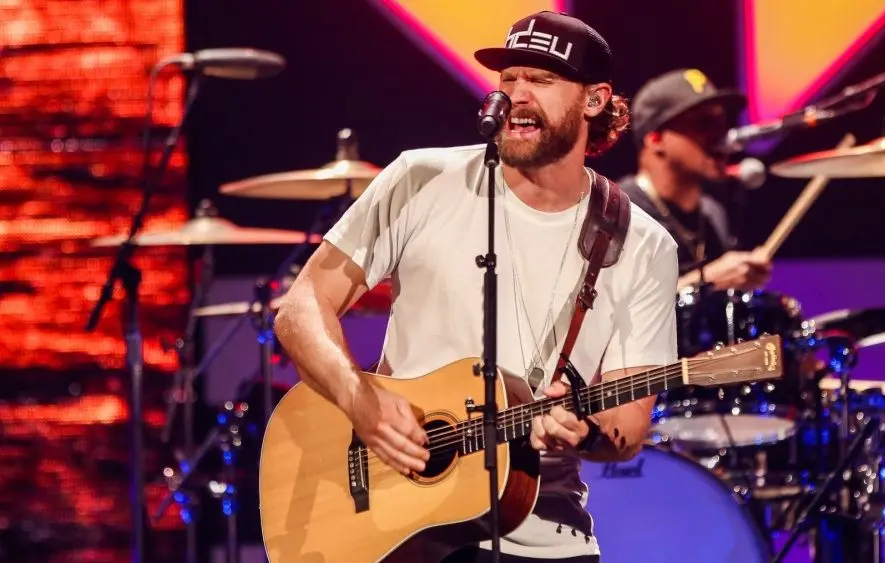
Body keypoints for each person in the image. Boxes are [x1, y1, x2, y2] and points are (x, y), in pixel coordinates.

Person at [273, 10, 679, 563]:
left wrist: (583, 432)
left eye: (540, 80)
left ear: (594, 100)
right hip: (395, 524)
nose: (516, 94)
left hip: (542, 530)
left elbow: (627, 427)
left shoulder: (642, 243)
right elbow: (301, 306)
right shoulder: (421, 179)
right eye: (508, 78)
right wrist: (360, 401)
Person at [617, 69, 773, 292]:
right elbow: (610, 307)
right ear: (656, 139)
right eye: (703, 123)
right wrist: (706, 282)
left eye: (722, 122)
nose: (721, 136)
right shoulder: (617, 213)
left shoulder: (712, 214)